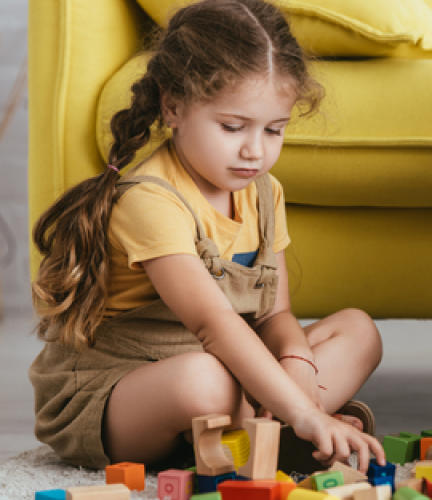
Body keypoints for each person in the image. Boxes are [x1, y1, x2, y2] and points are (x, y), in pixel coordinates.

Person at [29, 0, 385, 472]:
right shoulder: (150, 200)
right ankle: (291, 425)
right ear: (173, 107)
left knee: (358, 330)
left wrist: (298, 360)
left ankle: (261, 432)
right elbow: (213, 326)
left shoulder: (264, 192)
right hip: (123, 388)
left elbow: (276, 315)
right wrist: (303, 405)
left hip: (232, 366)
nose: (254, 151)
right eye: (232, 127)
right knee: (205, 382)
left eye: (274, 130)